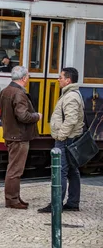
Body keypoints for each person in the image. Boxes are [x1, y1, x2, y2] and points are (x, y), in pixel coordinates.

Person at [38, 67, 84, 213]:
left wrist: (60, 136)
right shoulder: (71, 94)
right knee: (72, 171)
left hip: (66, 139)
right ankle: (72, 202)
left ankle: (56, 204)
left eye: (60, 77)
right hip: (69, 138)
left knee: (60, 171)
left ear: (68, 80)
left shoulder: (70, 96)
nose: (58, 79)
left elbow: (71, 119)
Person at [0, 66, 42, 209]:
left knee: (14, 168)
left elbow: (2, 114)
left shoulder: (5, 91)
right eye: (28, 77)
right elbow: (23, 116)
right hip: (19, 136)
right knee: (15, 170)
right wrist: (37, 116)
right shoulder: (19, 93)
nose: (28, 79)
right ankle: (12, 199)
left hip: (11, 134)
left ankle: (15, 197)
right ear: (23, 78)